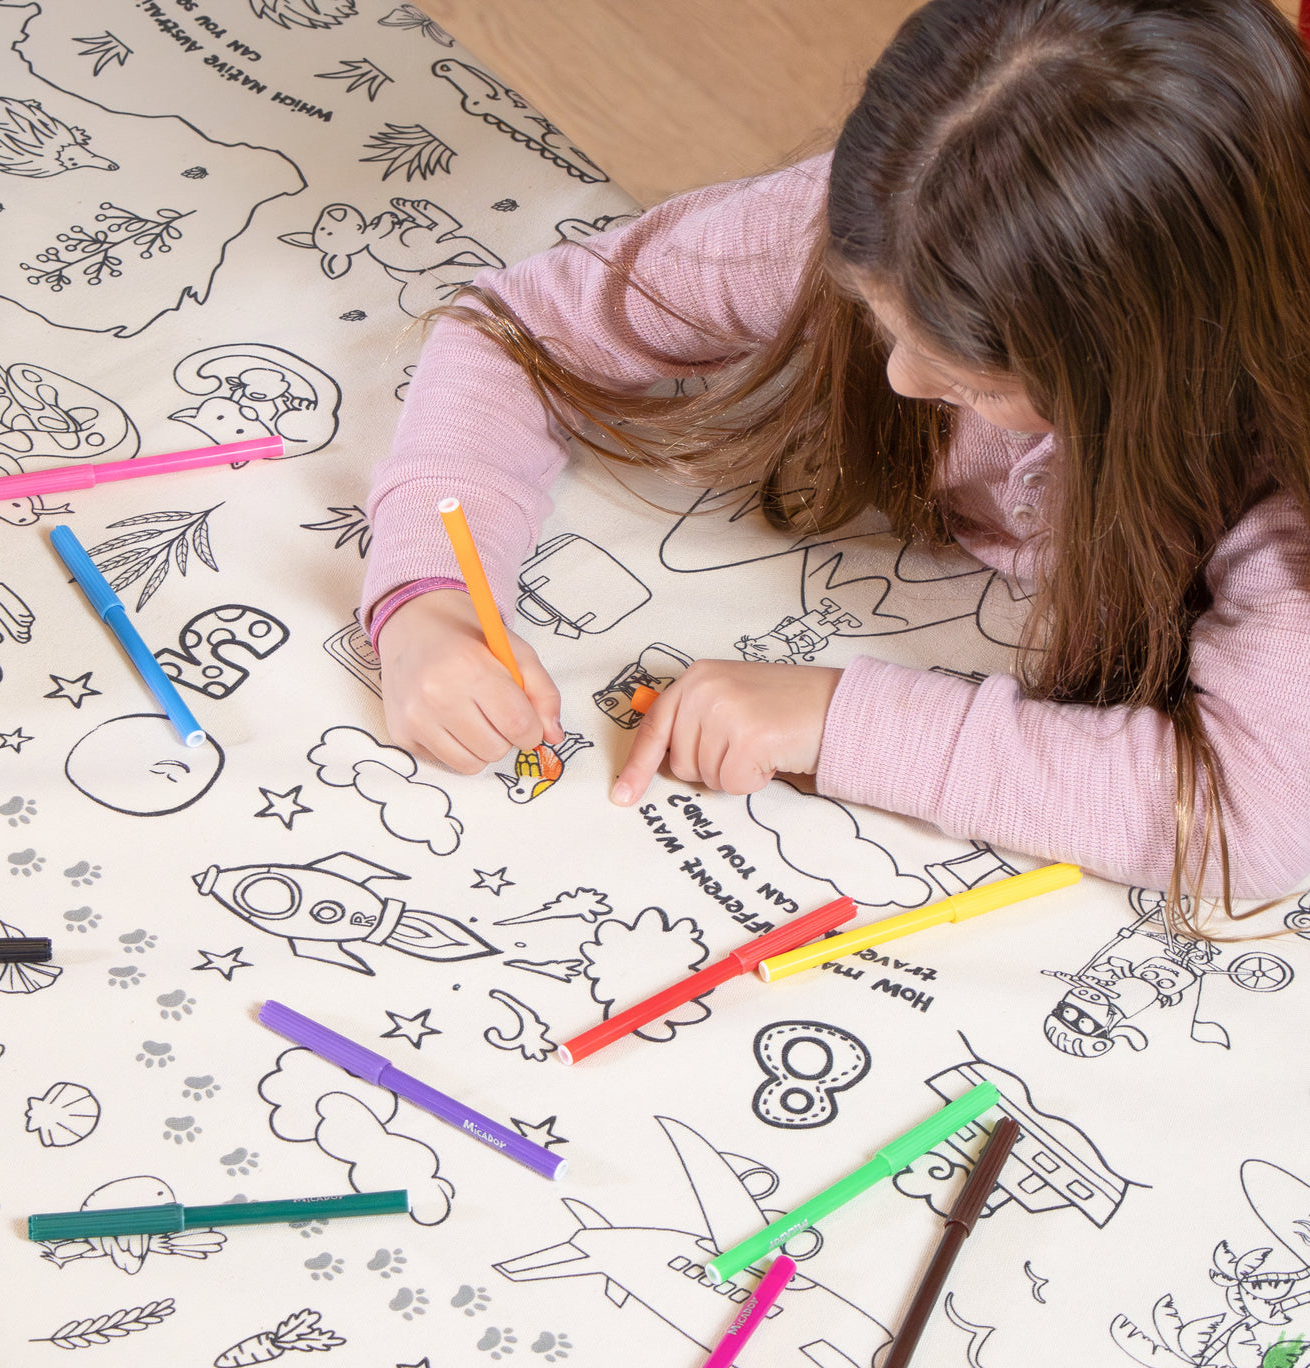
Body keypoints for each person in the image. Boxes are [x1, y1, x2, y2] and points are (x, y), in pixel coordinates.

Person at [362, 0, 1310, 922]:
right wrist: (430, 599)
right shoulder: (906, 209)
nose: (899, 378)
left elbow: (1255, 822)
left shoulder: (1277, 465)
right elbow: (517, 331)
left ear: (1161, 362)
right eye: (878, 319)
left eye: (973, 376)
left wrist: (836, 720)